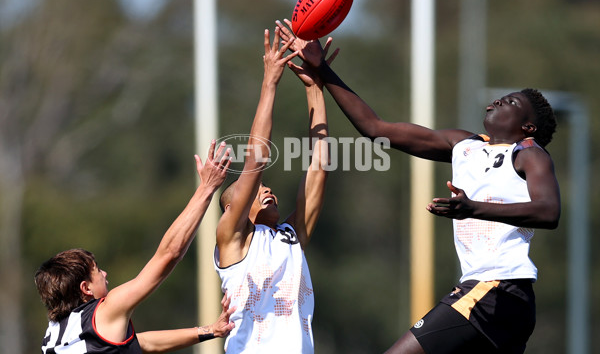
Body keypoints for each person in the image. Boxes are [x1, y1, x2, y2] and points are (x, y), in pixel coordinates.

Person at [276, 19, 561, 354]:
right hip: (494, 298)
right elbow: (374, 128)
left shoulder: (529, 154)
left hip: (498, 289)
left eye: (510, 103)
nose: (497, 103)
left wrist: (475, 208)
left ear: (528, 126)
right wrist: (321, 68)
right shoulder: (465, 146)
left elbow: (549, 211)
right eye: (498, 100)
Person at [34, 141, 236, 353]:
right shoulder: (106, 310)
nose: (104, 273)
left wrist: (210, 330)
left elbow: (142, 343)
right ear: (86, 288)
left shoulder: (54, 335)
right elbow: (168, 255)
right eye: (97, 270)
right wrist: (207, 188)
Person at [213, 26, 334, 354]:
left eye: (266, 187)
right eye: (255, 190)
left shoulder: (291, 236)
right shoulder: (232, 241)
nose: (266, 191)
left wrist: (314, 89)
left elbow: (318, 169)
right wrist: (270, 81)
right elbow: (255, 160)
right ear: (231, 208)